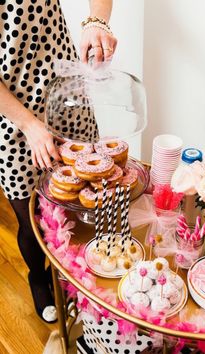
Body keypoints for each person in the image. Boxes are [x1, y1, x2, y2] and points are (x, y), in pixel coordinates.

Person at [0, 0, 117, 323]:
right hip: (13, 115)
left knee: (81, 201)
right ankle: (38, 277)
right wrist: (28, 124)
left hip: (66, 94)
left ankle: (76, 276)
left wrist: (98, 21)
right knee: (31, 217)